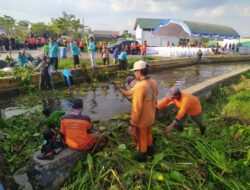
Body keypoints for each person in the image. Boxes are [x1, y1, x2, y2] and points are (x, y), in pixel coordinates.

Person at [117, 60, 158, 162]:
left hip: (142, 119)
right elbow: (132, 92)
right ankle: (150, 150)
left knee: (141, 137)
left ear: (139, 71)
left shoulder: (140, 86)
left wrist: (132, 125)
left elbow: (137, 108)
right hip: (151, 115)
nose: (134, 73)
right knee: (148, 134)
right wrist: (122, 91)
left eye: (135, 71)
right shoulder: (152, 82)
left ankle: (142, 155)